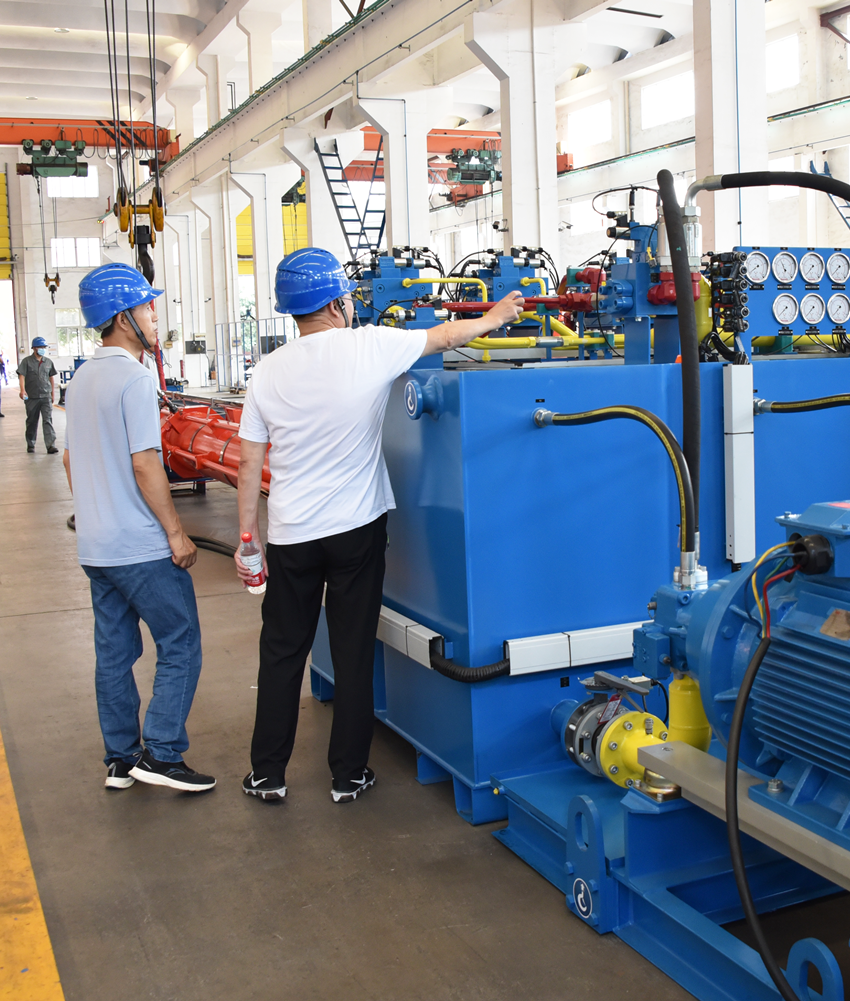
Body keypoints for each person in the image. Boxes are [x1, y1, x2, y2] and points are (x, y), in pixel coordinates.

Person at [235, 247, 523, 803]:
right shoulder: (368, 346)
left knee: (282, 653)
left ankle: (267, 773)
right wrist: (493, 317)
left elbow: (250, 462)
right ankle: (348, 775)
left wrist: (248, 541)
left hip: (292, 534)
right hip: (355, 529)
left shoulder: (267, 370)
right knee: (352, 651)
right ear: (337, 303)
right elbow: (443, 337)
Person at [66, 263, 214, 793]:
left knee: (114, 654)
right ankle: (163, 754)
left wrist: (95, 509)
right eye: (147, 308)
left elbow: (71, 460)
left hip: (97, 548)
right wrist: (175, 532)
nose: (154, 316)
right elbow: (146, 463)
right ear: (122, 317)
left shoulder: (80, 379)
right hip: (139, 548)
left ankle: (122, 758)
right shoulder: (132, 378)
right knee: (181, 641)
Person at [16, 336, 59, 454]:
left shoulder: (48, 362)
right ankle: (30, 444)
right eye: (40, 347)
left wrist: (52, 394)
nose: (42, 349)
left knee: (47, 420)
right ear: (34, 348)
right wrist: (22, 390)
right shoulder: (26, 362)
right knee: (32, 421)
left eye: (44, 347)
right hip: (32, 397)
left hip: (46, 396)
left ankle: (50, 445)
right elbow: (21, 376)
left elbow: (51, 378)